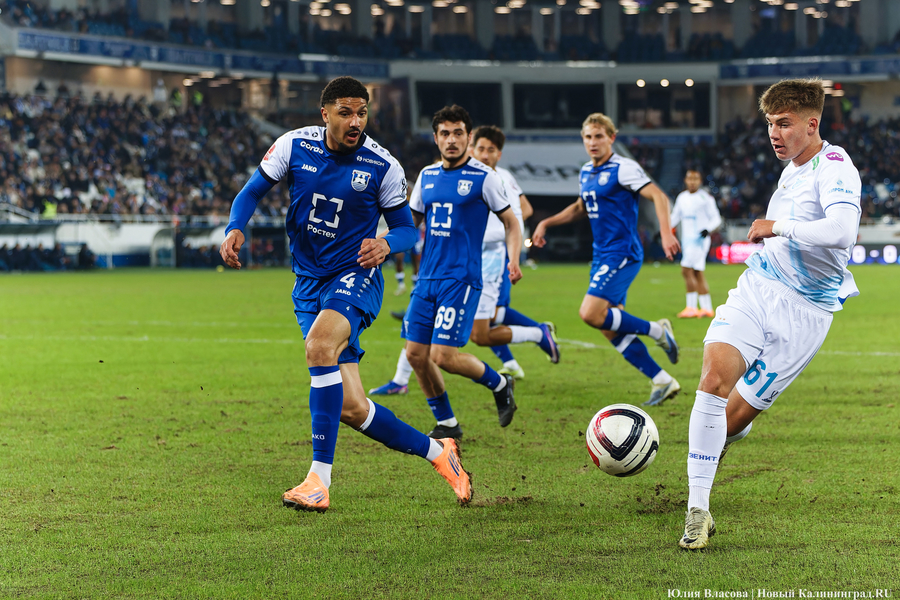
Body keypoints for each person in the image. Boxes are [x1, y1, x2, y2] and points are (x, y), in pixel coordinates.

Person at [219, 76, 472, 514]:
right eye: (345, 112)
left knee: (319, 347)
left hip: (356, 275)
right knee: (351, 407)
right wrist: (235, 226)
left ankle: (319, 480)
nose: (355, 121)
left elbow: (409, 229)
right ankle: (440, 453)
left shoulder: (383, 165)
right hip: (308, 283)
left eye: (362, 113)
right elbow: (251, 191)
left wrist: (387, 244)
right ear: (325, 114)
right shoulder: (294, 146)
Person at [679, 78, 862, 550]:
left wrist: (776, 225)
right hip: (758, 288)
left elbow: (842, 231)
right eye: (770, 125)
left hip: (805, 315)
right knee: (713, 381)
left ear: (812, 123)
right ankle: (698, 509)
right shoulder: (790, 169)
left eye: (784, 124)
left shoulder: (835, 165)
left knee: (733, 418)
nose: (774, 134)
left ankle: (721, 440)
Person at [531, 113, 682, 407]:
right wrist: (546, 222)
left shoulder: (623, 168)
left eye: (599, 136)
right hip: (602, 254)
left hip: (622, 252)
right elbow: (580, 207)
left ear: (611, 138)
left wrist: (665, 232)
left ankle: (658, 330)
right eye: (588, 137)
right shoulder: (586, 171)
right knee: (609, 326)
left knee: (590, 313)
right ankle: (662, 380)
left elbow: (659, 197)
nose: (593, 142)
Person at [404, 105, 523, 440]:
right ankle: (448, 423)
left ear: (469, 137)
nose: (451, 140)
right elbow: (409, 224)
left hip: (461, 279)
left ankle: (500, 383)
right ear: (435, 138)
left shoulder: (484, 177)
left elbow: (512, 223)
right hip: (427, 279)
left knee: (443, 356)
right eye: (445, 133)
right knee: (416, 354)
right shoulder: (426, 176)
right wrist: (380, 244)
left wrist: (514, 259)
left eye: (458, 133)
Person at [671, 169, 722, 319]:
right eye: (689, 179)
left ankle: (691, 307)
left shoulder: (705, 198)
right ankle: (706, 308)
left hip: (699, 239)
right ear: (686, 181)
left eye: (695, 179)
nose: (692, 182)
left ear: (699, 181)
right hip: (686, 239)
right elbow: (675, 216)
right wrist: (665, 230)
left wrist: (708, 229)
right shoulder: (682, 197)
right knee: (697, 272)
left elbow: (716, 218)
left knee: (686, 270)